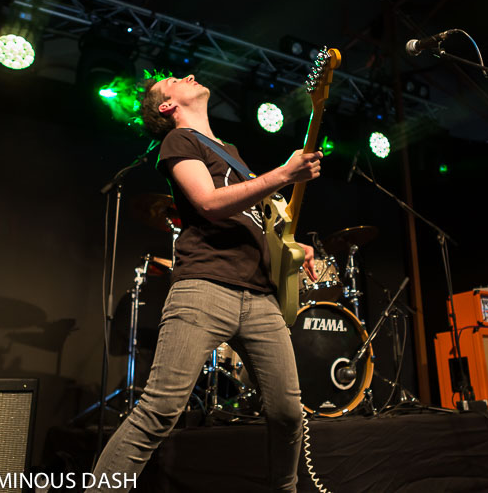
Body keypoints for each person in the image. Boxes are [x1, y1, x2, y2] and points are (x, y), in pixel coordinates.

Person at [87, 74, 323, 492]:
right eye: (175, 79)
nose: (189, 75)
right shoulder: (178, 140)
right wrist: (284, 174)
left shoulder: (231, 153)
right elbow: (210, 204)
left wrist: (291, 247)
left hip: (261, 298)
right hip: (204, 287)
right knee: (160, 410)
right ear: (167, 106)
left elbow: (251, 219)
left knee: (288, 414)